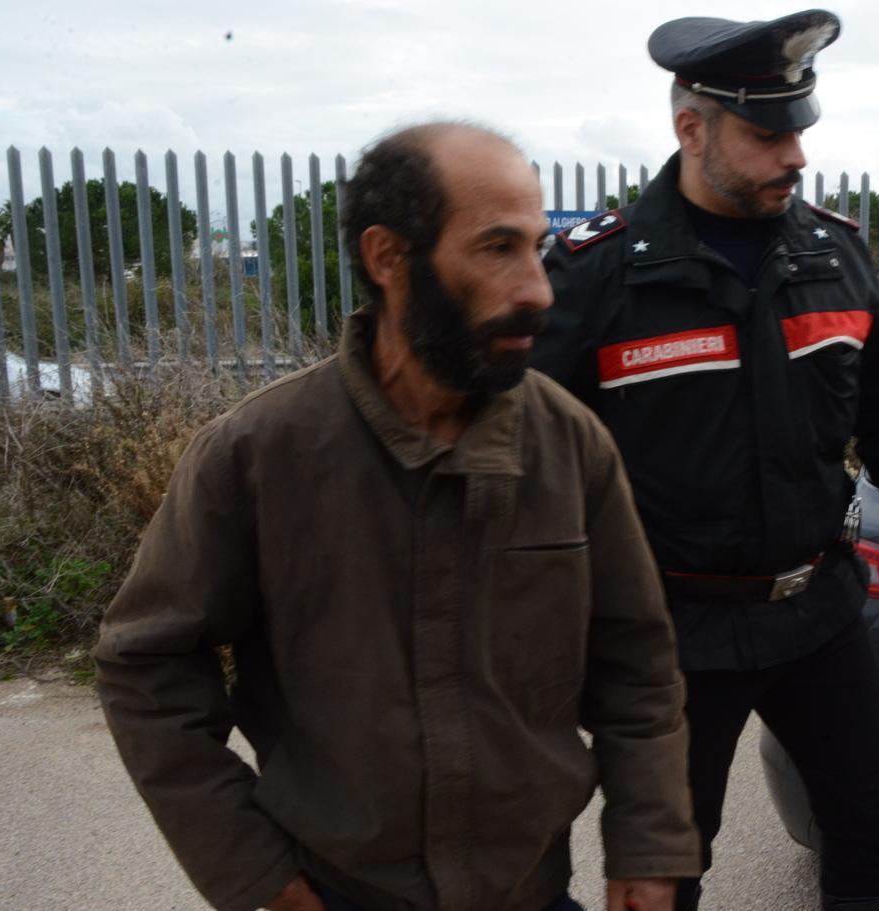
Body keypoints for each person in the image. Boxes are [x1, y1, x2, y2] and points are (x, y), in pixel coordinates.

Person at [532, 12, 879, 911]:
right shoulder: (600, 274)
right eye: (768, 133)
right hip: (673, 634)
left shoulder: (833, 253)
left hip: (817, 614)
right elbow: (528, 455)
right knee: (666, 870)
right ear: (692, 128)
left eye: (800, 130)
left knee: (870, 840)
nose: (795, 155)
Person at [94, 122, 700, 911]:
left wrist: (649, 850)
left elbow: (639, 666)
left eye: (535, 246)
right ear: (388, 257)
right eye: (496, 248)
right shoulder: (259, 452)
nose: (539, 288)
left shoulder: (570, 443)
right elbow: (146, 664)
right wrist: (257, 878)